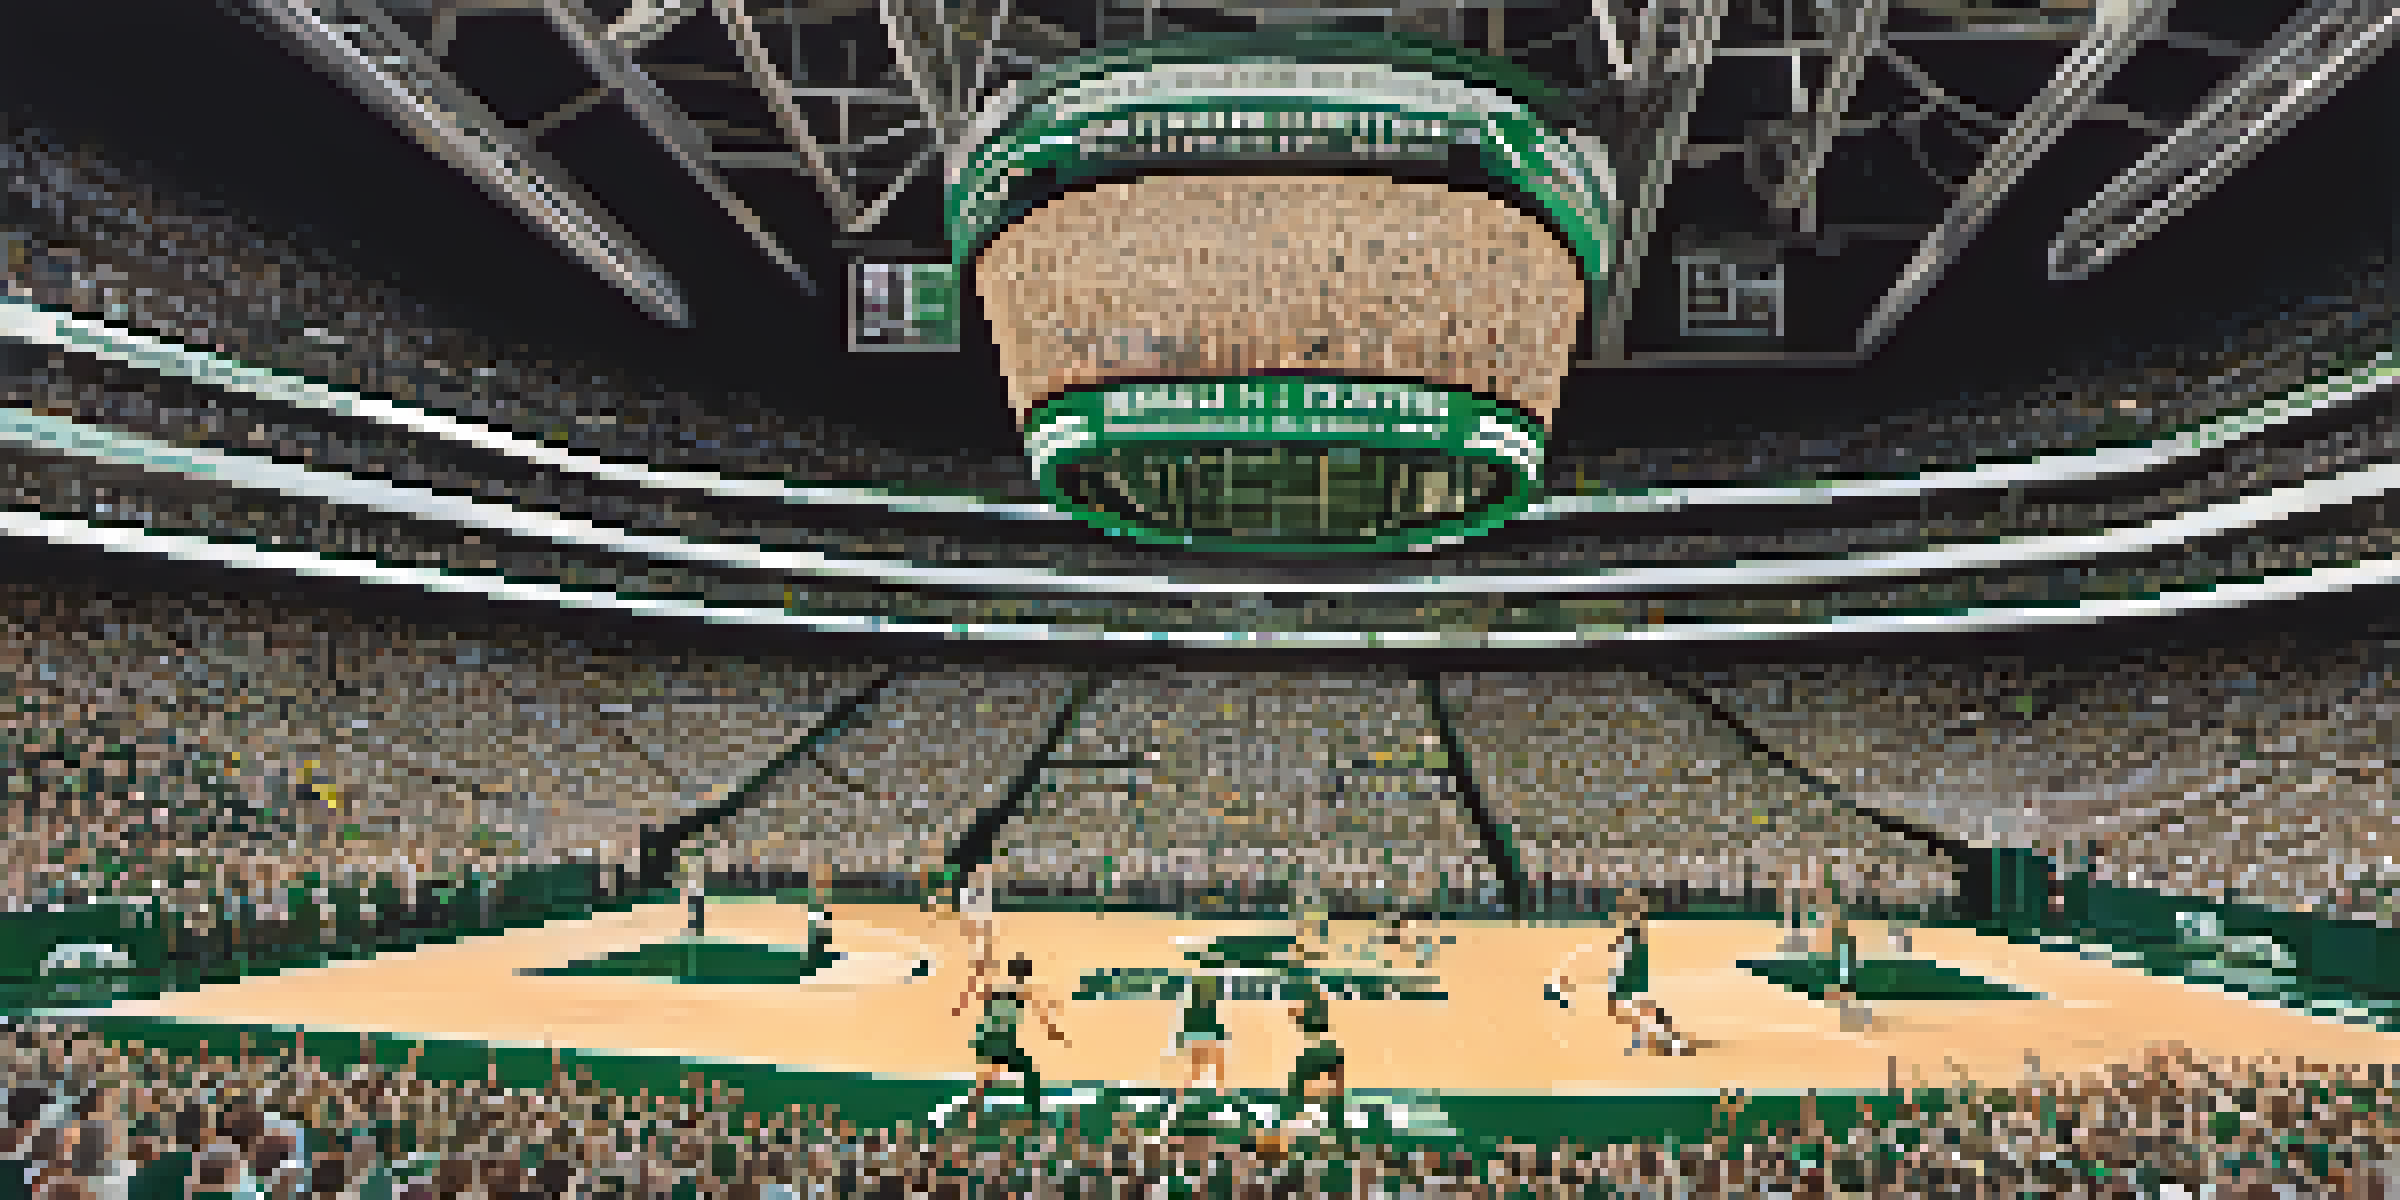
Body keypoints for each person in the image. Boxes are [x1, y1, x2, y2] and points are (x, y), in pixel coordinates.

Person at [952, 953, 1067, 1124]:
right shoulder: (1018, 991)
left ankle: (972, 1113)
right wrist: (1053, 1031)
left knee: (989, 1078)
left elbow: (977, 990)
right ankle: (1034, 1114)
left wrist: (960, 1005)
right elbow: (1041, 1010)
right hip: (1000, 1042)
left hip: (989, 1040)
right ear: (1025, 975)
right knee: (1026, 1074)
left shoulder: (999, 988)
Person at [1605, 892, 1691, 1056]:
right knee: (1639, 1011)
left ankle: (1670, 1043)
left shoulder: (1633, 935)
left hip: (1630, 982)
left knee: (1642, 1010)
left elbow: (1627, 960)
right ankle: (1647, 1040)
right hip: (1628, 981)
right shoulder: (1630, 935)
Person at [1174, 972, 1230, 1099]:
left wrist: (1181, 1038)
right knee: (1216, 1061)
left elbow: (1187, 1023)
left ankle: (1185, 1089)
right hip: (1205, 1036)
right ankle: (1220, 1089)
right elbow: (1213, 1023)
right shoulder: (1210, 1007)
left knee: (1196, 1065)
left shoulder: (1191, 1008)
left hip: (1195, 1036)